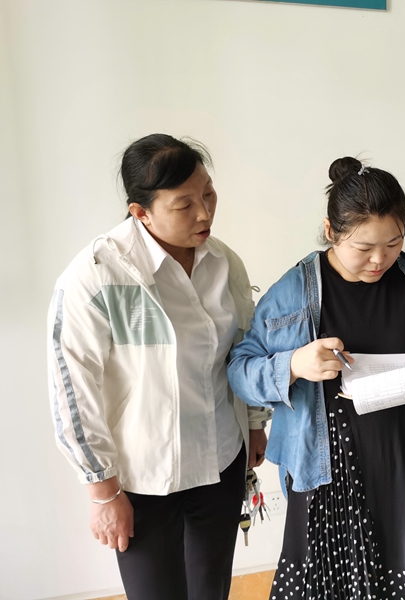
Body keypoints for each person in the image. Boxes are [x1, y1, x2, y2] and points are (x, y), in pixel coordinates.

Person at [228, 156, 405, 600]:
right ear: (330, 231)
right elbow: (240, 371)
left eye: (394, 243)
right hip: (330, 473)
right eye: (363, 248)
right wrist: (293, 365)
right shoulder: (295, 291)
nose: (380, 259)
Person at [46, 134, 269, 600]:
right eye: (184, 204)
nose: (204, 213)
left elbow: (244, 348)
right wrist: (103, 493)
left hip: (220, 462)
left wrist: (253, 424)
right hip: (142, 479)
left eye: (208, 194)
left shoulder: (224, 263)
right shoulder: (98, 276)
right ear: (140, 212)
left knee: (211, 591)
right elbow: (73, 392)